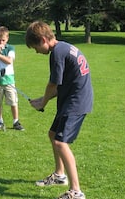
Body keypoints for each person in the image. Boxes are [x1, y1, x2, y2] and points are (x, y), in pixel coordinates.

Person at [25, 21, 93, 199]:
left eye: (35, 47)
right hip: (71, 99)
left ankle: (76, 191)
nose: (37, 52)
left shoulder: (56, 53)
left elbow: (53, 83)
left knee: (61, 143)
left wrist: (43, 103)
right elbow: (63, 84)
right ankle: (59, 175)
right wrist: (43, 99)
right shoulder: (64, 47)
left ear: (42, 40)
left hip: (76, 102)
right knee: (53, 134)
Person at [0, 26, 24, 131]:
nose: (1, 42)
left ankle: (16, 121)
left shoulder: (10, 49)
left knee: (13, 101)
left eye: (3, 40)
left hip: (8, 80)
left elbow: (9, 61)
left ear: (7, 39)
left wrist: (0, 55)